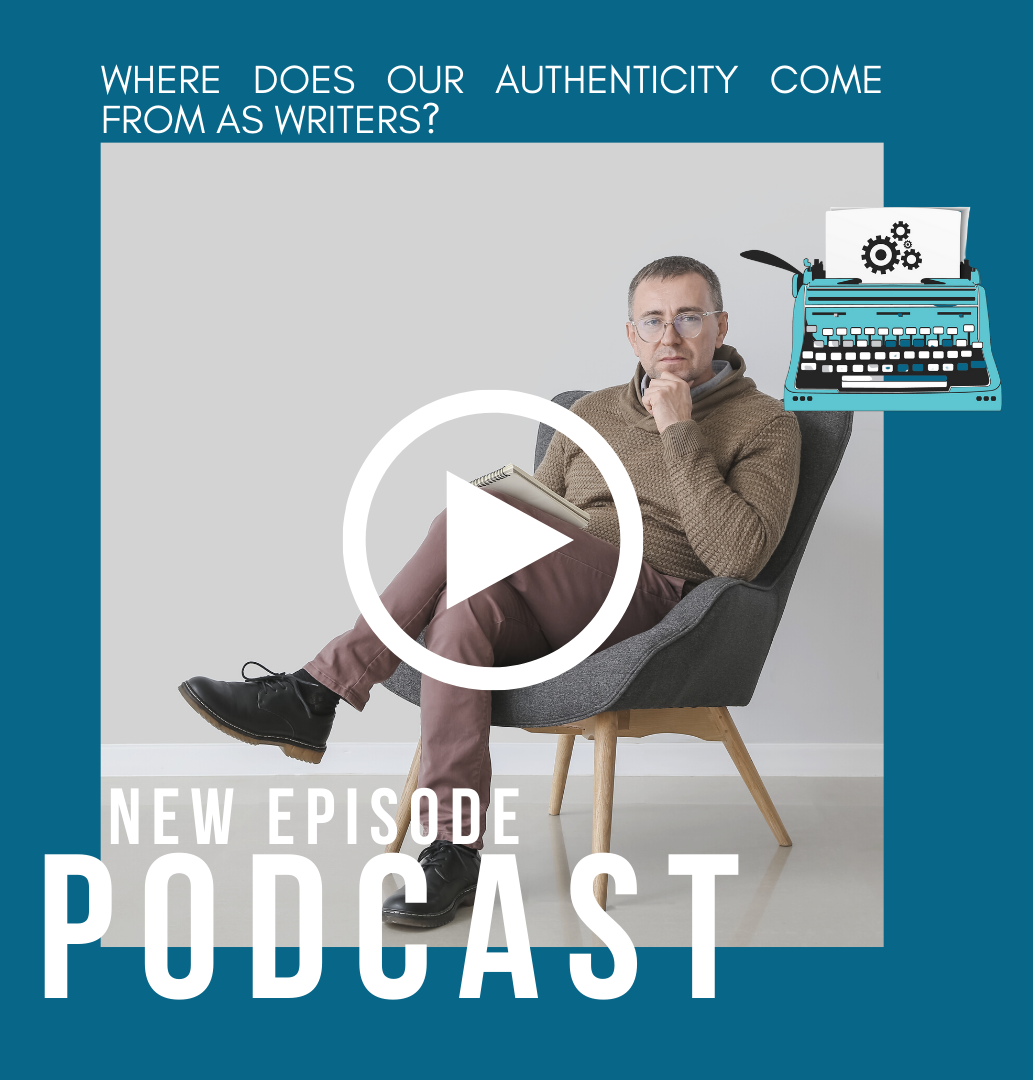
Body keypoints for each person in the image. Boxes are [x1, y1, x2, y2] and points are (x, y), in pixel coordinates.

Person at [179, 255, 801, 928]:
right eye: (653, 320)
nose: (669, 337)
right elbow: (540, 514)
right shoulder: (589, 413)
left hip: (650, 608)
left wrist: (679, 428)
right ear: (631, 334)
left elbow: (739, 556)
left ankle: (319, 690)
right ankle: (453, 849)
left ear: (721, 325)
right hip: (560, 597)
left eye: (688, 317)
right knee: (459, 618)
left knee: (470, 518)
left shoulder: (766, 423)